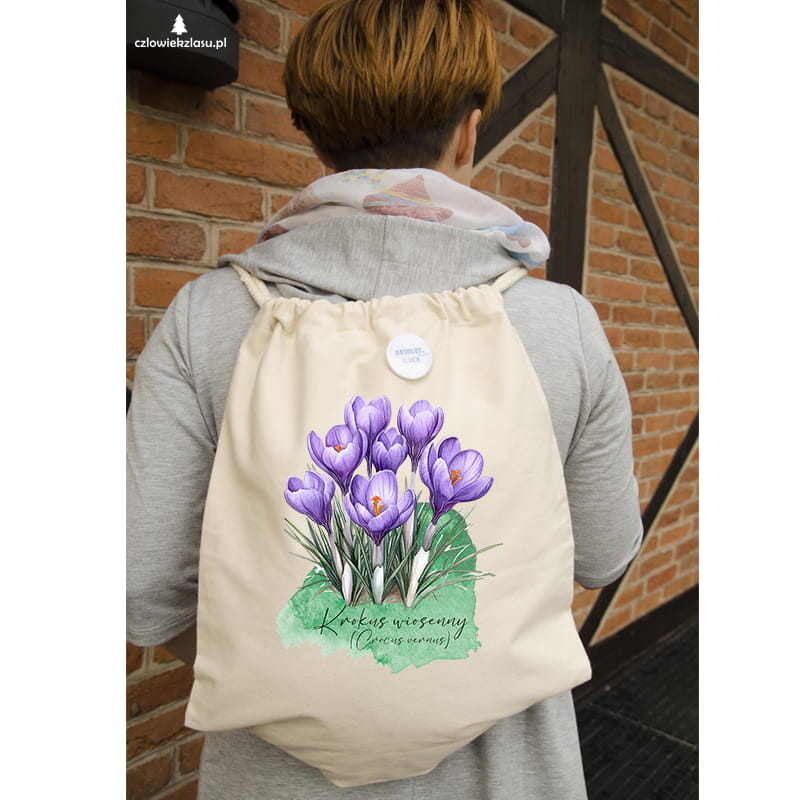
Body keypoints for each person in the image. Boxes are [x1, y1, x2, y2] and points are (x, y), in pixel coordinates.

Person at [126, 0, 642, 797]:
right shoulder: (561, 324)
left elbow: (143, 591)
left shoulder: (207, 317)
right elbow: (605, 554)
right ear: (470, 131)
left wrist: (289, 659)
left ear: (317, 138)